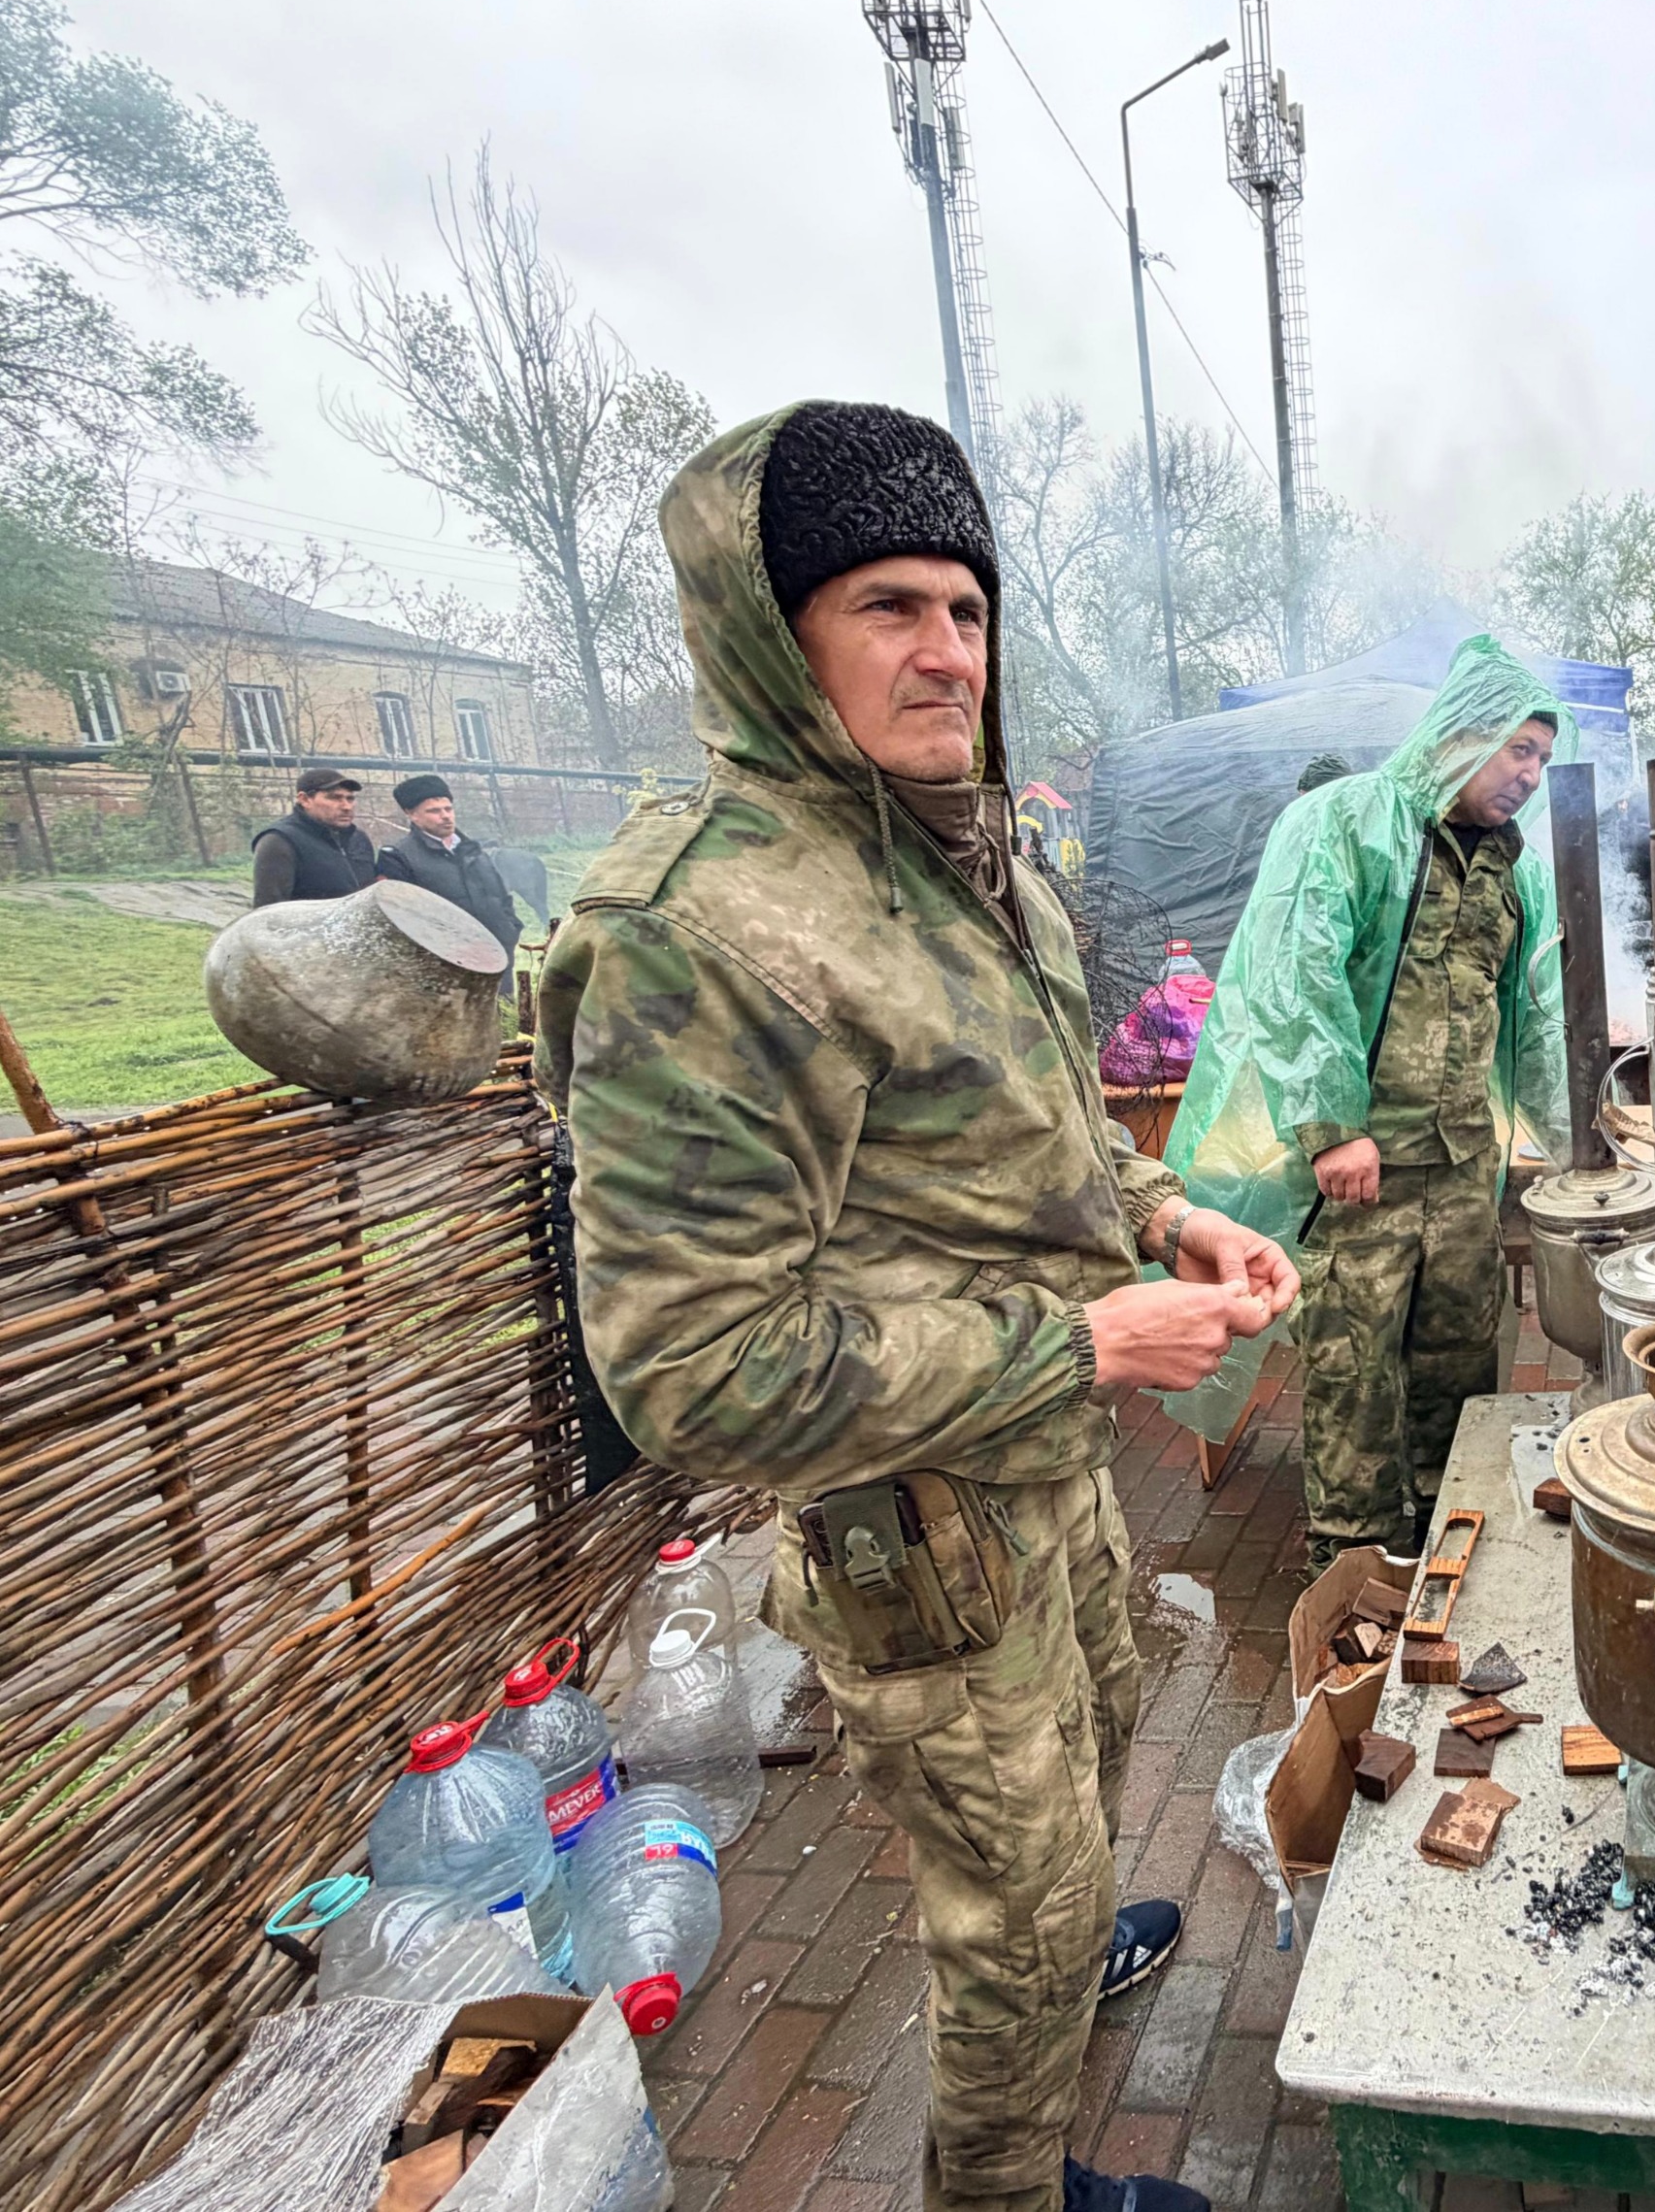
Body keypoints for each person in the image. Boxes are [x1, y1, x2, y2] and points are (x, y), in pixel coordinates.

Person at [541, 400, 1295, 2212]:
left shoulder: (964, 856)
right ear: (768, 632)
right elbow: (688, 1371)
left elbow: (1035, 1137)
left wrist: (1166, 1211)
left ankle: (1066, 1949)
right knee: (1008, 1924)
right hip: (919, 1538)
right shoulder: (703, 927)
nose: (948, 649)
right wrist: (1092, 1340)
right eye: (887, 604)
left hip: (1047, 1483)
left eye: (967, 607)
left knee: (1092, 1771)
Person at [1167, 637, 1571, 1575]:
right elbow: (1297, 973)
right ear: (1461, 733)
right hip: (1363, 1168)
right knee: (1354, 1360)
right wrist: (1332, 1128)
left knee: (1460, 1352)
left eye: (1543, 759)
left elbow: (1533, 1009)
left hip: (1463, 1162)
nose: (1529, 774)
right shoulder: (1349, 822)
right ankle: (1354, 1557)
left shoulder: (1518, 869)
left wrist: (1574, 1137)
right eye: (1518, 749)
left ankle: (1448, 1522)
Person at [374, 773, 523, 954]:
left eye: (448, 809)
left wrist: (510, 929)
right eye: (434, 811)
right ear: (412, 814)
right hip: (447, 958)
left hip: (499, 952)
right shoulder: (399, 857)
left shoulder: (473, 850)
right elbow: (404, 916)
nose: (445, 816)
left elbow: (501, 896)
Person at [249, 766, 376, 906]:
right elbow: (269, 908)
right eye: (335, 798)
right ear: (305, 800)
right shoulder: (280, 841)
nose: (347, 807)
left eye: (350, 799)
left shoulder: (358, 839)